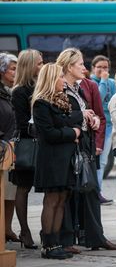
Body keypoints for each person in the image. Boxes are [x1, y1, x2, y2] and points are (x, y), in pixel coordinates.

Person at [57, 48, 116, 253]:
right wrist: (82, 117)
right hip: (68, 146)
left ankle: (95, 237)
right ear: (68, 67)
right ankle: (66, 239)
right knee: (67, 194)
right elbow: (60, 117)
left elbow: (97, 114)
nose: (84, 69)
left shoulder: (81, 87)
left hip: (85, 144)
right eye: (80, 65)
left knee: (91, 189)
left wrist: (91, 119)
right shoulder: (58, 87)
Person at [32, 63, 82, 259]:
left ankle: (57, 242)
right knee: (52, 200)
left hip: (65, 158)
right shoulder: (41, 103)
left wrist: (72, 129)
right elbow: (48, 133)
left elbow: (72, 121)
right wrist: (73, 133)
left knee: (62, 199)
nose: (64, 80)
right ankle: (48, 244)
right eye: (60, 77)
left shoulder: (62, 100)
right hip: (51, 159)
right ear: (51, 80)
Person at [10, 49, 43, 249]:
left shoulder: (41, 85)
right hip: (27, 145)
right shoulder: (20, 91)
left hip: (43, 145)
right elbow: (21, 123)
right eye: (39, 63)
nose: (42, 65)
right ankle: (25, 229)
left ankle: (45, 229)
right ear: (29, 66)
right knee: (23, 188)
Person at [90, 55, 116, 204]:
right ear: (93, 68)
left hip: (108, 126)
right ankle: (95, 193)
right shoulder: (90, 83)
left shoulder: (112, 83)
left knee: (102, 161)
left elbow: (114, 101)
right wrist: (103, 81)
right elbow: (97, 100)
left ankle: (97, 191)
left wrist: (108, 82)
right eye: (99, 67)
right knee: (96, 160)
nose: (102, 70)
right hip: (95, 126)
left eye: (105, 67)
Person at [0, 53, 18, 244]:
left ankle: (7, 228)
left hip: (11, 146)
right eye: (12, 68)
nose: (16, 72)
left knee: (11, 191)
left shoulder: (10, 92)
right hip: (2, 147)